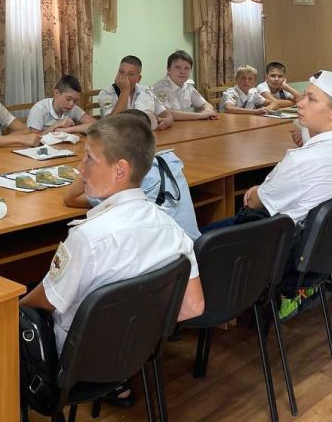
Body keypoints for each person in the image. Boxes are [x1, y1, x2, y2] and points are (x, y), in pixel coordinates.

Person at [20, 114, 204, 353]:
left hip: (79, 354)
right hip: (138, 350)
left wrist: (16, 307)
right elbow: (193, 306)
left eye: (89, 158)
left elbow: (48, 299)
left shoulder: (87, 238)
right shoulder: (172, 230)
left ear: (120, 170)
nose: (80, 167)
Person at [210, 71, 332, 318]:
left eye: (311, 99)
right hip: (323, 254)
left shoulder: (302, 160)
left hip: (281, 255)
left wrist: (255, 191)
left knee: (199, 241)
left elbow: (254, 202)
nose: (300, 103)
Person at [62, 109, 200, 240]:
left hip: (166, 252)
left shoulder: (128, 180)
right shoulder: (169, 160)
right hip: (190, 248)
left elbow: (71, 198)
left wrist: (91, 158)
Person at [97, 55, 173, 130]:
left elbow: (166, 114)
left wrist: (168, 120)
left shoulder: (147, 91)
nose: (125, 77)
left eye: (131, 74)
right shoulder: (106, 94)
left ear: (139, 79)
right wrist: (125, 91)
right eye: (121, 72)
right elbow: (111, 124)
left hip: (147, 135)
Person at [151, 50, 218, 121]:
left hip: (186, 125)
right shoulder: (160, 88)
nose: (182, 72)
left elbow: (206, 104)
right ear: (168, 70)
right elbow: (166, 114)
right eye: (177, 67)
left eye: (187, 68)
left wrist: (207, 111)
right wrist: (202, 115)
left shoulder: (188, 87)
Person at [26, 75, 96, 134]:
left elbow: (96, 125)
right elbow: (33, 139)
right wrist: (56, 125)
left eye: (75, 101)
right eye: (68, 99)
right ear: (56, 93)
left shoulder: (72, 108)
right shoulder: (40, 109)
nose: (71, 104)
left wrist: (68, 130)